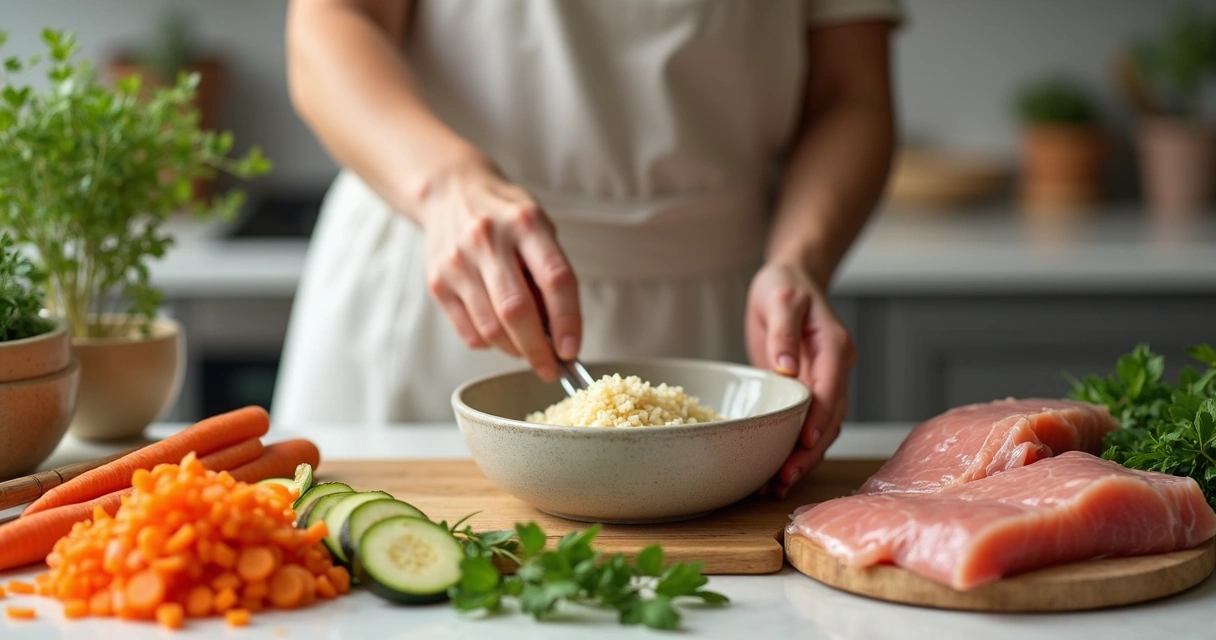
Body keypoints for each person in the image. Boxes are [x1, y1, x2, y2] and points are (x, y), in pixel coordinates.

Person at [275, 0, 901, 498]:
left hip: (718, 296)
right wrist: (447, 185)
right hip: (427, 260)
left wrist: (799, 261)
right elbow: (329, 21)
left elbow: (850, 96)